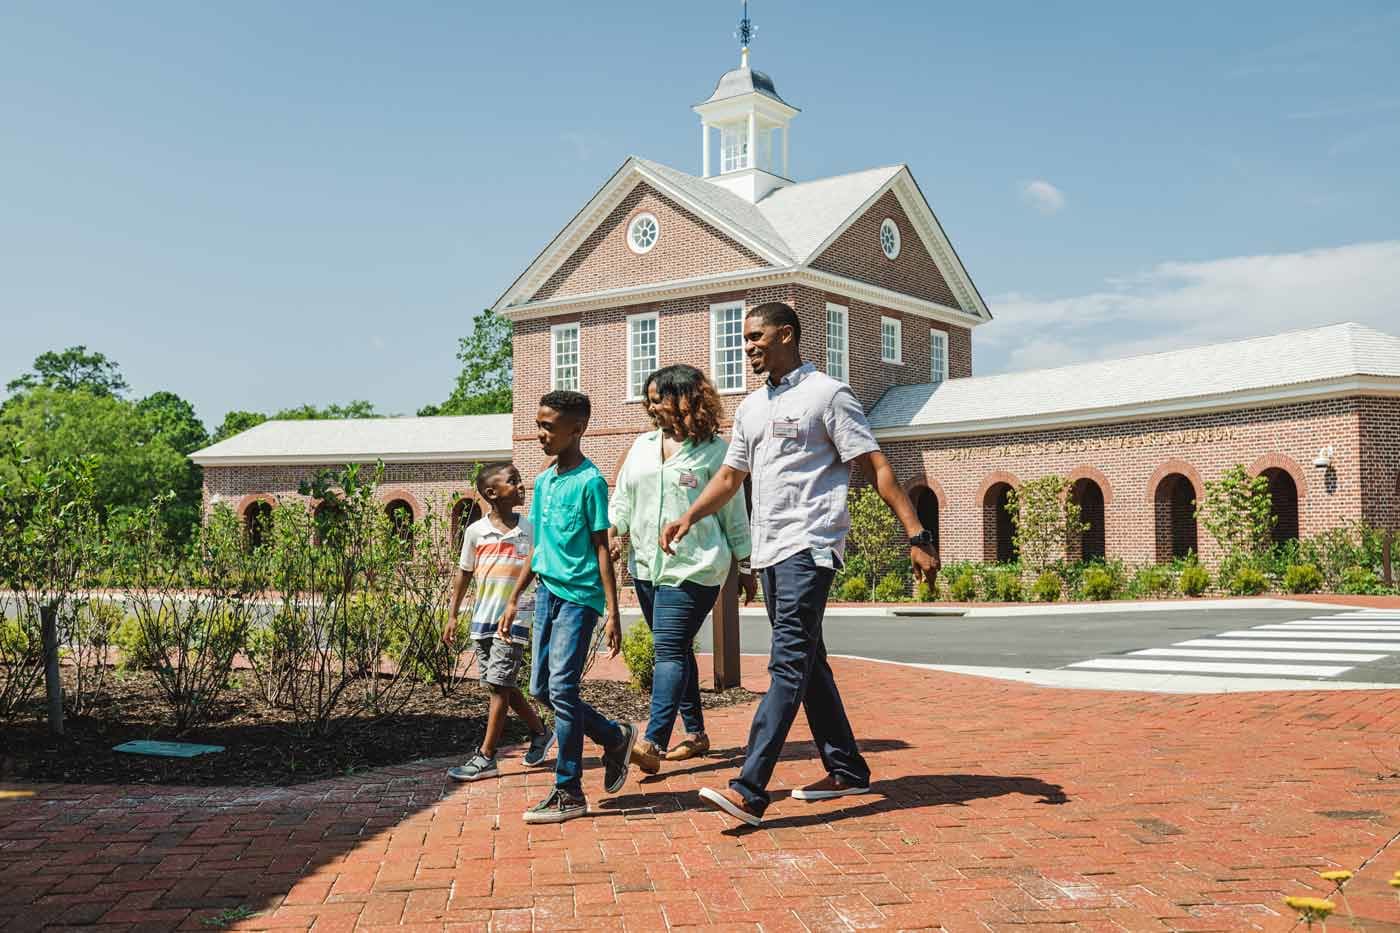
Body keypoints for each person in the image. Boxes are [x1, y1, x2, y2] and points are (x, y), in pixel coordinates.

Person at [660, 301, 940, 827]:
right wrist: (688, 516)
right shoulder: (750, 409)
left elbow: (875, 464)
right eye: (744, 339)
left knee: (786, 664)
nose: (747, 348)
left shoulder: (827, 395)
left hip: (809, 546)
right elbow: (729, 477)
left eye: (756, 337)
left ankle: (749, 787)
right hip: (769, 551)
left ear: (786, 335)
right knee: (809, 662)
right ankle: (846, 768)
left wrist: (916, 532)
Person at [497, 390, 657, 823]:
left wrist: (613, 611)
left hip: (579, 599)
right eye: (538, 425)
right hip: (546, 592)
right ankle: (615, 737)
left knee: (563, 689)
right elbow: (538, 547)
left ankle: (568, 790)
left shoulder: (590, 482)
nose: (540, 434)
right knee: (542, 690)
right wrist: (515, 598)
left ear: (577, 429)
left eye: (548, 427)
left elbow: (602, 548)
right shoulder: (545, 482)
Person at [609, 364, 756, 770]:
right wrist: (612, 529)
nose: (651, 406)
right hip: (644, 565)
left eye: (659, 398)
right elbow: (622, 498)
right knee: (676, 649)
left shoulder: (715, 451)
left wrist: (745, 564)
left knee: (668, 649)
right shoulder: (641, 446)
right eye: (649, 399)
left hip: (696, 566)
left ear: (687, 400)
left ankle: (652, 742)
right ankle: (696, 734)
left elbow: (733, 511)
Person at [442, 462, 554, 782]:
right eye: (513, 481)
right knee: (499, 683)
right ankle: (540, 731)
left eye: (520, 479)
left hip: (515, 618)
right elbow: (464, 573)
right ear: (492, 493)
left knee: (499, 686)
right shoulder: (476, 532)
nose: (521, 485)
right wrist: (452, 615)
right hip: (482, 619)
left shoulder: (529, 529)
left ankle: (486, 755)